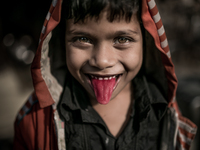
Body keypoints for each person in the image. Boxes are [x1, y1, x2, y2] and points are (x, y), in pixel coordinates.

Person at [13, 0, 197, 149]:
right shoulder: (36, 119)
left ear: (146, 42)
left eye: (122, 39)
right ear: (61, 42)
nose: (102, 61)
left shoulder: (164, 109)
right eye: (83, 39)